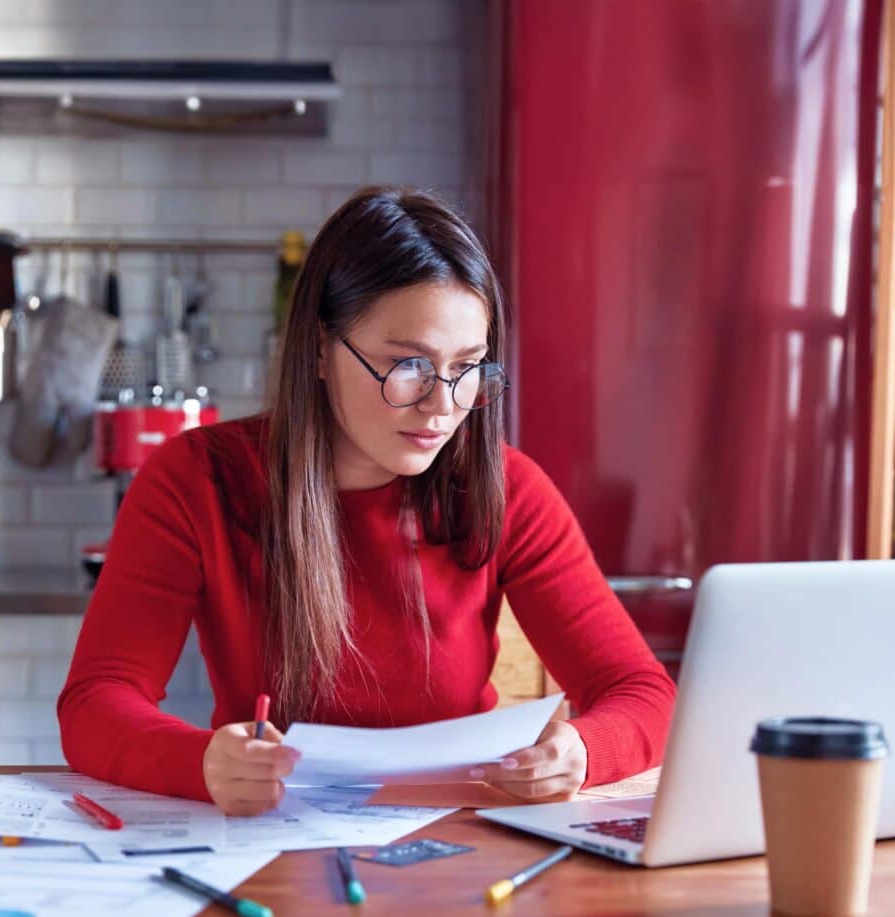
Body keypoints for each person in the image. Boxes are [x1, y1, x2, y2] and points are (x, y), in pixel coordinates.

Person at [58, 186, 675, 816]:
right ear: (320, 349)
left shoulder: (508, 489)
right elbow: (95, 702)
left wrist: (584, 751)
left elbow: (643, 692)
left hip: (460, 837)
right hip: (271, 839)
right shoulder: (195, 481)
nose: (443, 406)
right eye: (409, 365)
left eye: (468, 367)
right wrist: (201, 762)